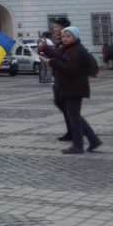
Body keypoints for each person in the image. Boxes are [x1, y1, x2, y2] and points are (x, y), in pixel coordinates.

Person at [46, 26, 102, 154]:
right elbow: (57, 56)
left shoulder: (76, 51)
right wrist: (46, 52)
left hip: (74, 88)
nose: (65, 39)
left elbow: (70, 70)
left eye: (68, 36)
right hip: (68, 88)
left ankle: (78, 146)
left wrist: (53, 63)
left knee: (74, 118)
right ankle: (94, 140)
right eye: (64, 36)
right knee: (75, 117)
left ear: (75, 37)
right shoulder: (68, 49)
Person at [39, 17, 73, 142]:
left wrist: (50, 59)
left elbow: (63, 61)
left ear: (64, 28)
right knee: (61, 104)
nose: (54, 29)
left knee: (67, 108)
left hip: (66, 81)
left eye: (56, 27)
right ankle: (72, 131)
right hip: (58, 79)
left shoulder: (68, 42)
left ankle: (80, 134)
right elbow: (57, 56)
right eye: (53, 27)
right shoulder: (60, 42)